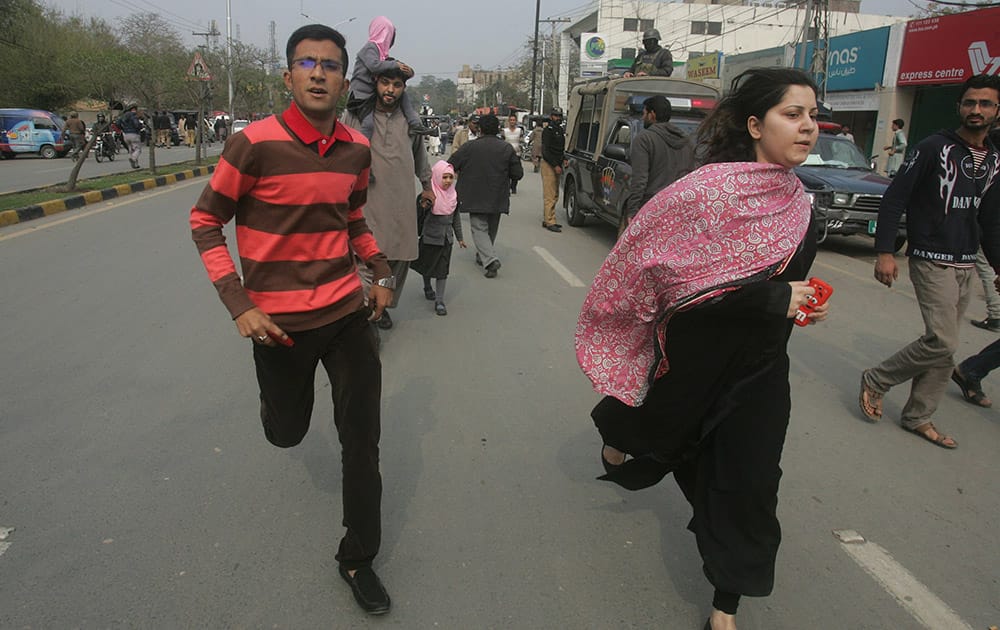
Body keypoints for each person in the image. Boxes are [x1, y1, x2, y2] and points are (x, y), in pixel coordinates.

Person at [577, 67, 824, 630]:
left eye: (812, 115)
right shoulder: (706, 193)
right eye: (794, 114)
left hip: (760, 373)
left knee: (752, 482)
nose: (808, 127)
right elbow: (675, 290)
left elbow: (783, 286)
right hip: (694, 360)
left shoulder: (800, 201)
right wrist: (771, 300)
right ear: (756, 125)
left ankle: (725, 604)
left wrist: (797, 303)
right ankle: (617, 436)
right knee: (655, 426)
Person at [189, 23, 394, 616]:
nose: (320, 72)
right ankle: (276, 411)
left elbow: (352, 219)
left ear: (342, 77)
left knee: (363, 442)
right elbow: (205, 222)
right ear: (289, 75)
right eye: (308, 62)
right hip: (277, 328)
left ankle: (358, 556)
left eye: (331, 64)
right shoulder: (252, 144)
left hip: (345, 315)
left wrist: (378, 272)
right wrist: (239, 303)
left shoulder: (355, 150)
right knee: (289, 432)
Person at [860, 74, 1000, 450]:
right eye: (970, 102)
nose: (976, 110)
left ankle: (918, 415)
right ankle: (878, 378)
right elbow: (894, 199)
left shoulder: (994, 160)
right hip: (930, 257)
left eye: (985, 104)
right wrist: (885, 251)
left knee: (945, 348)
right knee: (943, 340)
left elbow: (989, 219)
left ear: (996, 111)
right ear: (959, 107)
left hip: (965, 261)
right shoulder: (933, 147)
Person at [341, 66, 434, 331]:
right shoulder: (354, 115)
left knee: (398, 258)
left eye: (396, 85)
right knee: (365, 256)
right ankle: (364, 313)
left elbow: (420, 155)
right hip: (366, 199)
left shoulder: (409, 119)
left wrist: (427, 185)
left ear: (403, 90)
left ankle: (382, 304)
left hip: (402, 199)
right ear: (375, 83)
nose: (390, 90)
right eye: (385, 83)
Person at [448, 114, 523, 279]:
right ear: (497, 129)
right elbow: (518, 173)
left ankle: (489, 260)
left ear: (480, 129)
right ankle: (484, 256)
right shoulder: (506, 148)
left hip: (474, 195)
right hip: (498, 195)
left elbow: (451, 164)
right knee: (491, 228)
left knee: (479, 228)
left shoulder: (469, 147)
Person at [346, 16, 429, 140]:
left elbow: (396, 68)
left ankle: (414, 124)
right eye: (388, 34)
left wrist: (409, 71)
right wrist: (395, 65)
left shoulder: (382, 54)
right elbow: (374, 66)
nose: (390, 89)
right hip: (361, 96)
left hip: (371, 93)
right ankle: (362, 149)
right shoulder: (370, 48)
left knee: (403, 95)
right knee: (368, 125)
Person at [623, 95, 696, 232]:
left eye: (644, 113)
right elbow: (692, 177)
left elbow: (640, 179)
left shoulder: (644, 139)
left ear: (653, 114)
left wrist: (632, 212)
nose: (643, 117)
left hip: (652, 209)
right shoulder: (687, 141)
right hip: (679, 210)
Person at [412, 161, 466, 315]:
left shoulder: (454, 196)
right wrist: (423, 206)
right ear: (436, 177)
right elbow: (418, 216)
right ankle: (427, 287)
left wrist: (460, 238)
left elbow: (455, 219)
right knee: (427, 267)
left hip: (446, 241)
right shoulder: (429, 196)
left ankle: (439, 301)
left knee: (442, 271)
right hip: (429, 238)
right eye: (444, 177)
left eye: (450, 177)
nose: (448, 180)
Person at [539, 107, 566, 232]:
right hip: (549, 164)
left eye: (559, 115)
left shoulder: (560, 130)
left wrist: (564, 159)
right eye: (555, 115)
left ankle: (549, 218)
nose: (558, 118)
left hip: (557, 164)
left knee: (555, 194)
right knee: (549, 194)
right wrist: (555, 165)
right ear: (551, 117)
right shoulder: (548, 131)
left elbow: (559, 149)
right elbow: (545, 151)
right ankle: (550, 222)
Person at [502, 114, 524, 194]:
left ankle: (514, 186)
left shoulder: (519, 131)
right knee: (506, 172)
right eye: (511, 120)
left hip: (516, 154)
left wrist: (520, 148)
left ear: (516, 121)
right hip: (506, 154)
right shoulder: (504, 131)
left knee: (515, 172)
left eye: (513, 120)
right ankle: (507, 187)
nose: (512, 122)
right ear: (508, 121)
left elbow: (522, 141)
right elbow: (502, 142)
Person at [118, 105, 143, 169]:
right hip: (134, 134)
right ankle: (133, 159)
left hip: (126, 135)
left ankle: (135, 165)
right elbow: (136, 124)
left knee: (131, 149)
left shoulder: (122, 116)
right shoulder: (133, 116)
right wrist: (141, 126)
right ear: (134, 109)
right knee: (138, 149)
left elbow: (117, 123)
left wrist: (123, 129)